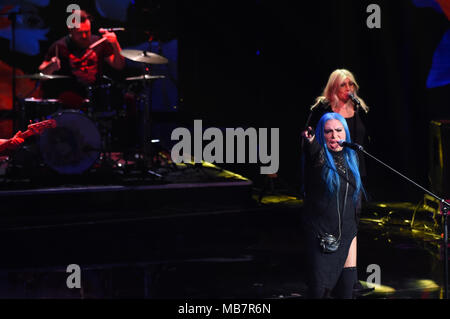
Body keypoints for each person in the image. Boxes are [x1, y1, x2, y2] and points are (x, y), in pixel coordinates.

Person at [301, 112, 364, 299]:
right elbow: (312, 150)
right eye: (328, 132)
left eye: (339, 130)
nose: (335, 136)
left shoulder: (352, 158)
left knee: (346, 290)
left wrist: (353, 232)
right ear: (322, 134)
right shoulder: (319, 158)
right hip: (321, 235)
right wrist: (310, 140)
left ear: (346, 133)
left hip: (347, 233)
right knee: (319, 292)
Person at [38, 9, 126, 106]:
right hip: (70, 101)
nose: (84, 36)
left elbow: (119, 66)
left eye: (87, 32)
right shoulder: (59, 46)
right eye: (80, 33)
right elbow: (41, 75)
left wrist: (115, 44)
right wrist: (51, 66)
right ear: (70, 29)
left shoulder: (99, 42)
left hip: (96, 98)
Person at [304, 69, 369, 178]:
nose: (348, 88)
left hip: (357, 169)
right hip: (331, 168)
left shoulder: (360, 109)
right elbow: (309, 132)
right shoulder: (323, 108)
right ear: (333, 87)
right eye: (343, 85)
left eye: (351, 84)